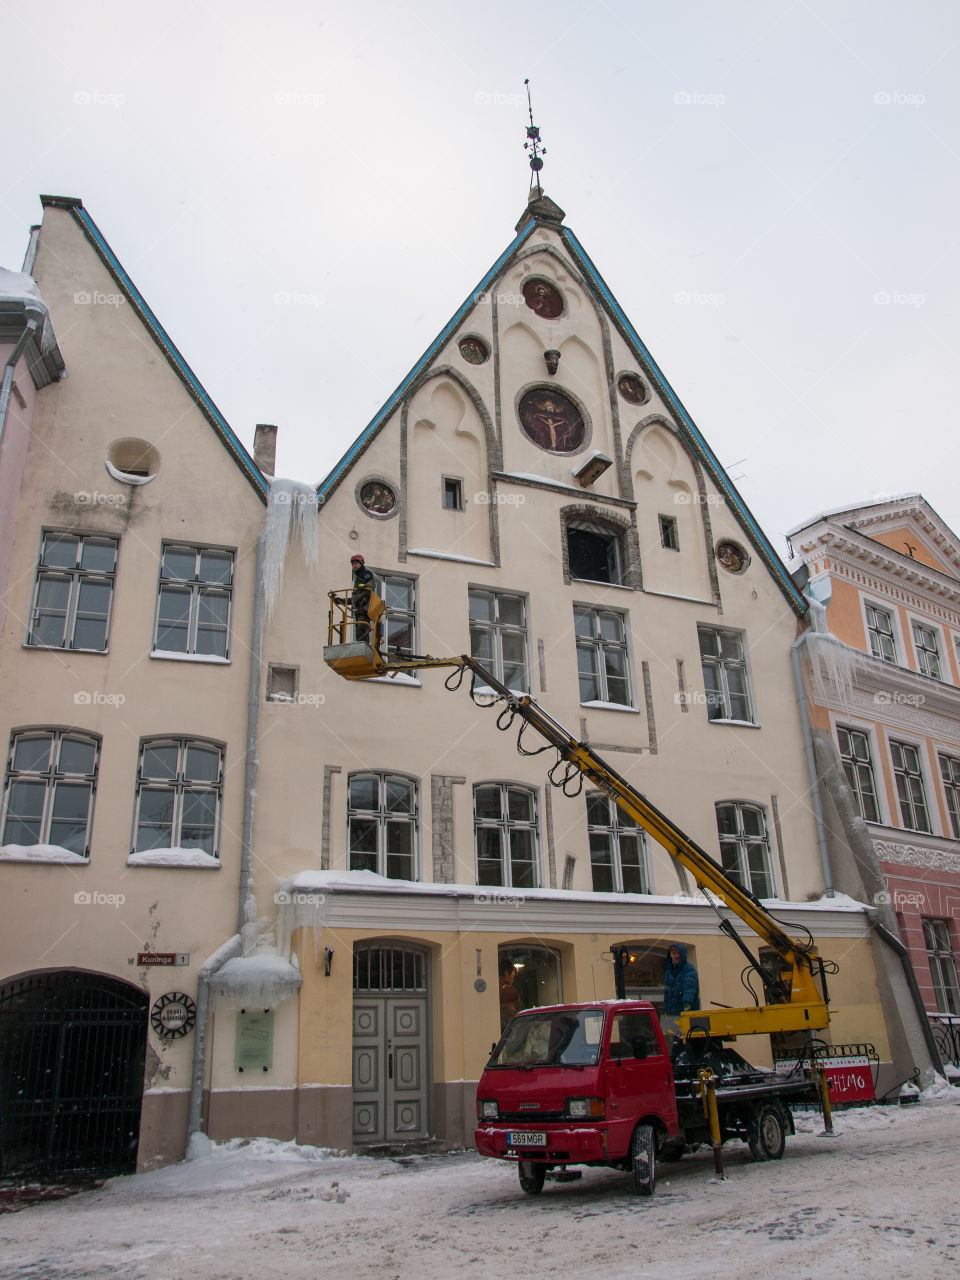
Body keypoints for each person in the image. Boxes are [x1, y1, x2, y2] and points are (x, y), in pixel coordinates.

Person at [662, 942, 700, 1019]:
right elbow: (667, 991)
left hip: (687, 1012)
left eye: (679, 953)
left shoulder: (689, 969)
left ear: (683, 954)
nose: (676, 956)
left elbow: (689, 987)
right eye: (674, 953)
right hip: (672, 1013)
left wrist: (687, 1004)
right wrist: (666, 1008)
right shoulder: (669, 971)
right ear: (670, 955)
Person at [350, 553, 375, 643]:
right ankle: (361, 645)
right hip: (359, 610)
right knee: (359, 631)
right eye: (353, 564)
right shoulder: (358, 578)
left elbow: (371, 585)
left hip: (365, 608)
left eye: (356, 563)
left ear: (361, 563)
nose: (354, 566)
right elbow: (355, 597)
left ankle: (363, 646)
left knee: (362, 629)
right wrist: (340, 601)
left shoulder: (365, 573)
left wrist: (364, 586)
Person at [499, 962, 521, 1031]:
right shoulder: (509, 992)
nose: (513, 980)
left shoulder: (494, 987)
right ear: (506, 973)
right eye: (512, 976)